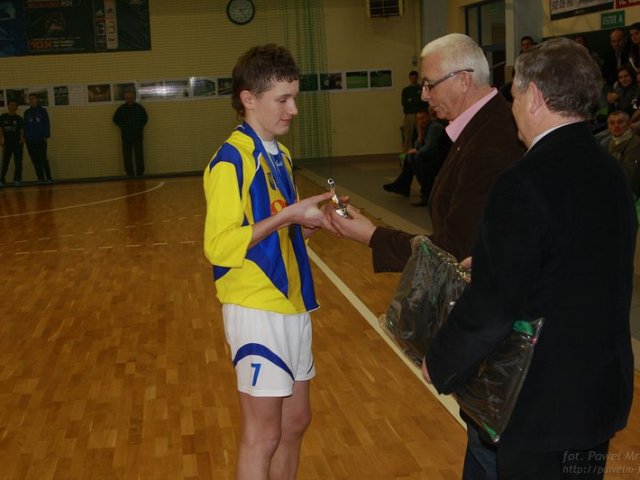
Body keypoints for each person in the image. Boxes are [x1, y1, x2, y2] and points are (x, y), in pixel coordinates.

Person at [424, 37, 635, 480]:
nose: (513, 107)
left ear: (535, 96)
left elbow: (493, 306)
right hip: (598, 395)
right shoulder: (611, 172)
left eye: (516, 96)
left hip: (540, 405)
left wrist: (441, 360)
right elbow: (574, 264)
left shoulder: (522, 181)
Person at [327, 33, 524, 480]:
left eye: (431, 84)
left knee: (491, 454)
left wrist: (372, 235)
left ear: (464, 80)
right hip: (486, 324)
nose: (423, 95)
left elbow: (454, 248)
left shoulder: (491, 142)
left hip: (493, 331)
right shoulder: (477, 130)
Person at [202, 44, 333, 480]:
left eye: (294, 97)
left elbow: (276, 233)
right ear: (249, 98)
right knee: (263, 434)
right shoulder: (231, 161)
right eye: (283, 99)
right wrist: (288, 216)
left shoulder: (281, 155)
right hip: (256, 307)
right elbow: (219, 247)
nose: (293, 109)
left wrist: (309, 225)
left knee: (296, 422)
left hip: (292, 303)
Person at [113, 91, 148, 177]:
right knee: (127, 156)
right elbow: (115, 119)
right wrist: (123, 126)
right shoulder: (121, 109)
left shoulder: (139, 108)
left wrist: (139, 127)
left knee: (139, 155)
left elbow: (145, 119)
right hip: (126, 137)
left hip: (138, 136)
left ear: (134, 98)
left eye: (131, 98)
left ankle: (140, 173)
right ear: (125, 99)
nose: (129, 100)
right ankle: (129, 173)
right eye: (128, 98)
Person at [607, 110, 640, 197]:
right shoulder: (612, 143)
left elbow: (630, 178)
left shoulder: (635, 144)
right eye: (612, 123)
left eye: (620, 122)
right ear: (608, 127)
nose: (616, 126)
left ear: (628, 125)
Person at [23, 93, 52, 184]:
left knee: (43, 159)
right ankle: (40, 178)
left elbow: (46, 123)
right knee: (35, 160)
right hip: (30, 140)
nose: (31, 100)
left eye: (33, 98)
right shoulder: (27, 112)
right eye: (30, 99)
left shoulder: (42, 111)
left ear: (37, 99)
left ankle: (49, 178)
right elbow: (25, 126)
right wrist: (25, 137)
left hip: (40, 139)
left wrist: (46, 135)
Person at [401, 70, 427, 152]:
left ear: (417, 78)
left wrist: (412, 100)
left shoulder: (421, 89)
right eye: (412, 78)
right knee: (407, 136)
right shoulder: (406, 90)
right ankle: (405, 155)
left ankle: (422, 153)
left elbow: (423, 102)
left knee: (422, 135)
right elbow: (404, 103)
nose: (413, 80)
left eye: (415, 78)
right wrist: (415, 101)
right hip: (409, 115)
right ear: (409, 78)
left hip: (420, 113)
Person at [0, 100, 24, 187]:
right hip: (7, 144)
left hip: (17, 143)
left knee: (18, 162)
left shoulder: (19, 118)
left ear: (16, 107)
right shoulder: (3, 117)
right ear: (8, 106)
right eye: (11, 105)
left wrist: (22, 139)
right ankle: (2, 180)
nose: (12, 107)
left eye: (14, 105)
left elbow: (21, 129)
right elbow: (1, 129)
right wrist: (1, 139)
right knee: (5, 162)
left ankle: (17, 180)